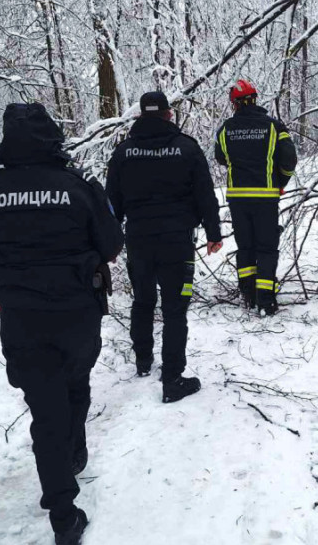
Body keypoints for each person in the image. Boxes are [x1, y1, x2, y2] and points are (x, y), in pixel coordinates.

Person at [0, 103, 123, 545]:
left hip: (22, 316)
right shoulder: (78, 186)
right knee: (75, 383)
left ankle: (63, 511)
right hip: (78, 310)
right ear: (53, 137)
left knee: (45, 408)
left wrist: (12, 279)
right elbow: (111, 243)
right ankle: (73, 454)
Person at [105, 91, 223, 402]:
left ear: (140, 116)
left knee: (143, 301)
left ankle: (143, 360)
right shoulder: (186, 148)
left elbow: (111, 202)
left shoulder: (124, 152)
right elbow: (205, 194)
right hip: (177, 242)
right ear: (169, 115)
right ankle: (172, 378)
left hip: (139, 241)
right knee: (175, 310)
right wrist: (213, 232)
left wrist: (110, 242)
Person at [214, 80, 298, 315]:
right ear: (255, 99)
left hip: (238, 198)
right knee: (267, 248)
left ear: (235, 104)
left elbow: (221, 157)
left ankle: (248, 294)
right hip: (266, 197)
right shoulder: (274, 127)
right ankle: (266, 299)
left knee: (246, 247)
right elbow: (289, 159)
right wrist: (280, 182)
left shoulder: (225, 129)